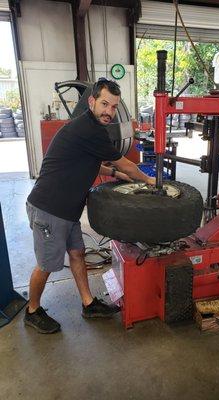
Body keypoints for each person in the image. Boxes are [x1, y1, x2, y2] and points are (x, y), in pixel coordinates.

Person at [24, 78, 155, 334]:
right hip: (50, 209)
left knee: (77, 254)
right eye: (105, 104)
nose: (109, 111)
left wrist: (116, 176)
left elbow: (90, 161)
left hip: (69, 208)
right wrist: (149, 179)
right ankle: (32, 310)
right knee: (47, 264)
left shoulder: (90, 128)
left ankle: (88, 303)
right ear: (92, 101)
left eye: (114, 106)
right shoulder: (89, 129)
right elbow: (125, 163)